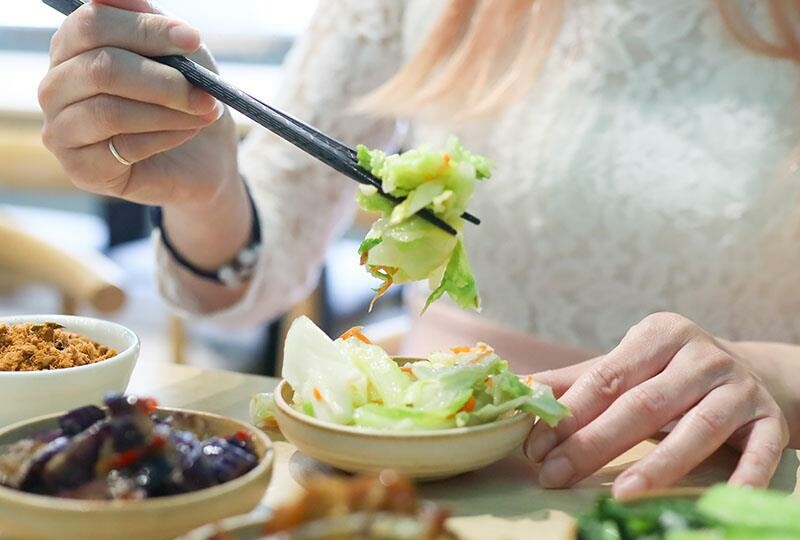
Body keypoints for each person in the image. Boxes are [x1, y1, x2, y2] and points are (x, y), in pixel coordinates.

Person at [39, 0, 800, 497]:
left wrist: (769, 371)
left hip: (714, 476)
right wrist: (203, 193)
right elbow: (260, 260)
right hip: (422, 470)